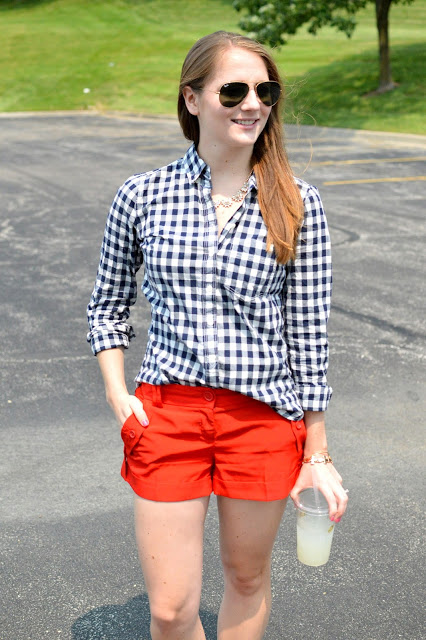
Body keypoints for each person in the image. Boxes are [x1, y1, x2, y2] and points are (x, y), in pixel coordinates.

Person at [87, 30, 348, 640]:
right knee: (171, 610)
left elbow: (309, 335)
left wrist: (318, 454)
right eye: (233, 89)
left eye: (265, 90)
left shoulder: (296, 204)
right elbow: (107, 305)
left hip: (262, 419)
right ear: (192, 99)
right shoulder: (143, 194)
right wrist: (116, 392)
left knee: (247, 579)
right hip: (167, 414)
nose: (251, 103)